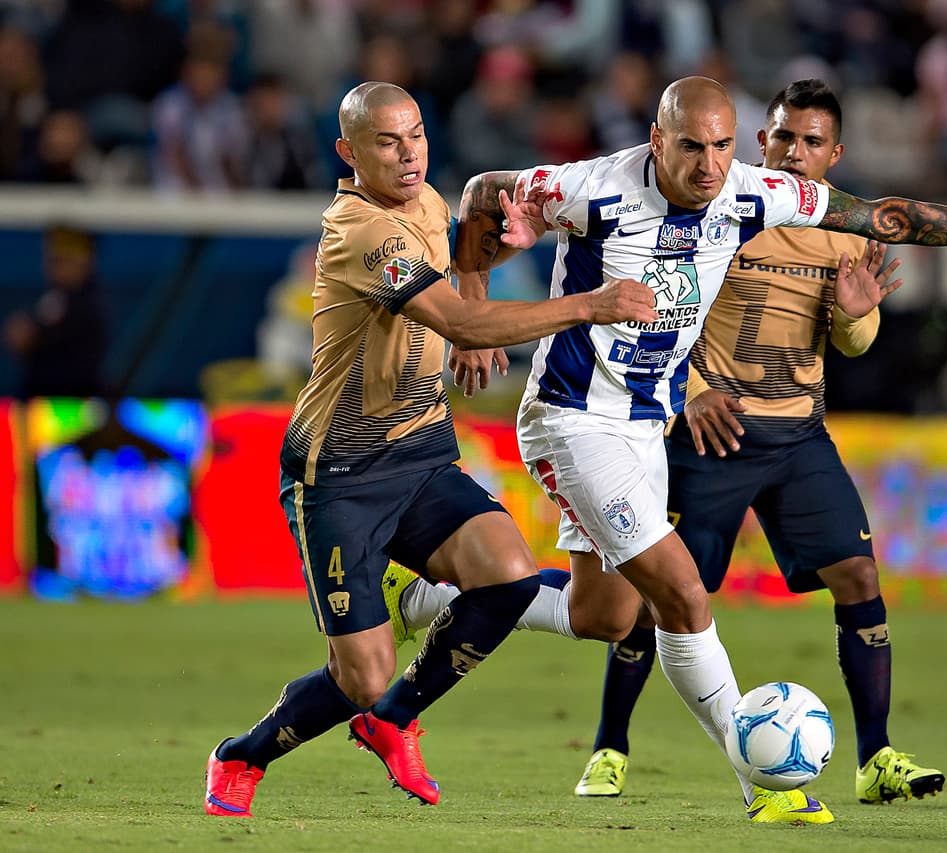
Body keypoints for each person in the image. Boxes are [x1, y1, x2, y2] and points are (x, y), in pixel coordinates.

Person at [395, 75, 947, 825]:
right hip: (573, 419)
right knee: (683, 596)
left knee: (603, 614)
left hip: (645, 427)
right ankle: (764, 784)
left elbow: (887, 216)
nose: (709, 165)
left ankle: (424, 598)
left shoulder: (753, 194)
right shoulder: (592, 189)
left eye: (722, 146)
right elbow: (482, 190)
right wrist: (471, 296)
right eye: (691, 147)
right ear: (657, 139)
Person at [202, 81, 656, 819]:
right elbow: (456, 319)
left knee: (508, 577)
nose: (408, 152)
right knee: (359, 674)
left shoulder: (426, 203)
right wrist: (586, 305)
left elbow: (466, 253)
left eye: (415, 134)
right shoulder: (362, 232)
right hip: (339, 475)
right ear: (349, 153)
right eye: (387, 142)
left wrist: (470, 304)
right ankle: (241, 756)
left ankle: (395, 717)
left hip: (419, 454)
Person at [566, 78, 946, 807]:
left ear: (834, 154)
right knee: (659, 595)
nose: (795, 152)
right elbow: (660, 310)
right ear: (762, 141)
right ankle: (610, 745)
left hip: (798, 434)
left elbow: (855, 342)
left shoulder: (843, 230)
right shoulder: (721, 211)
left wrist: (854, 314)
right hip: (712, 434)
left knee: (859, 578)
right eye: (783, 137)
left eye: (812, 141)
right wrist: (691, 390)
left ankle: (876, 757)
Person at [3, 226, 108, 399]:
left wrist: (31, 334)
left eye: (62, 260)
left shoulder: (88, 304)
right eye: (51, 259)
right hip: (43, 404)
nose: (52, 267)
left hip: (70, 405)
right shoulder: (55, 297)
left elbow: (29, 335)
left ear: (85, 262)